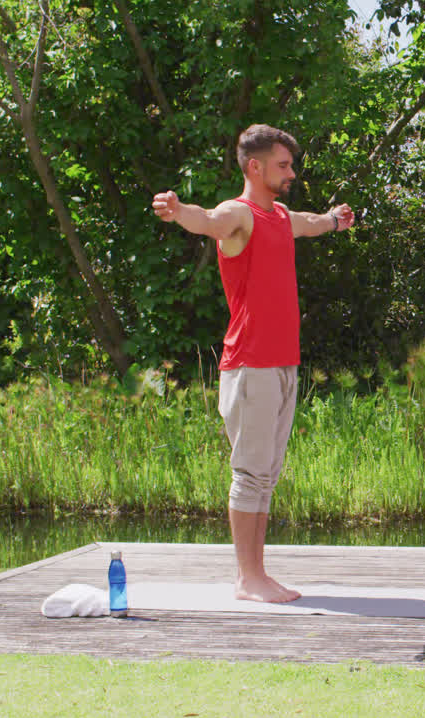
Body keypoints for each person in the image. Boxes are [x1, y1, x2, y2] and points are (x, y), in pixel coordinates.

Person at [151, 124, 355, 602]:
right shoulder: (237, 216)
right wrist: (180, 212)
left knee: (267, 474)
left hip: (282, 364)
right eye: (283, 165)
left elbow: (307, 220)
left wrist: (333, 220)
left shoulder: (280, 216)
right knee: (249, 473)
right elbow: (209, 220)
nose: (291, 172)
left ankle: (256, 574)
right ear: (255, 167)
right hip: (249, 365)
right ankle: (248, 578)